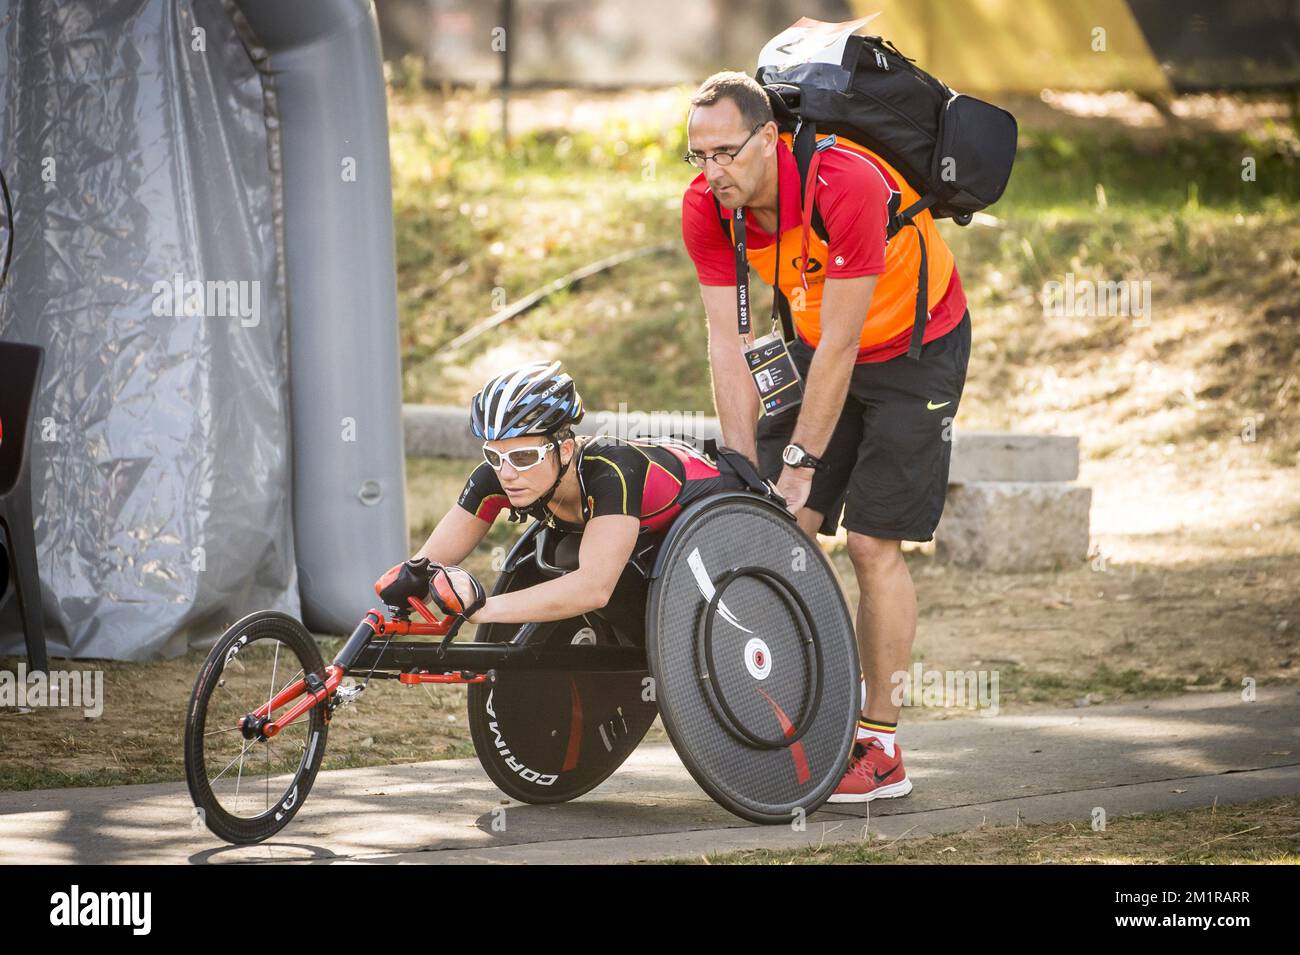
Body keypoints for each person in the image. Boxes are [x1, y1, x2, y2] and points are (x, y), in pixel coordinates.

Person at [680, 71, 973, 803]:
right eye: (697, 156)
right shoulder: (707, 209)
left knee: (873, 543)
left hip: (914, 346)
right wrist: (749, 472)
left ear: (768, 137)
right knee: (777, 527)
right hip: (820, 344)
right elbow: (729, 341)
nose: (711, 172)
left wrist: (803, 461)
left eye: (725, 153)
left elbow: (845, 344)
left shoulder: (843, 179)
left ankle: (880, 745)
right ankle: (790, 719)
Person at [375, 361, 757, 638]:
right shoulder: (498, 475)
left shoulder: (613, 469)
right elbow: (426, 565)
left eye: (524, 457)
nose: (507, 473)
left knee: (578, 564)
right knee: (564, 555)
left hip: (725, 513)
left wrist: (486, 608)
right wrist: (399, 598)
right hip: (646, 537)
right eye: (495, 455)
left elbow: (593, 587)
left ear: (566, 448)